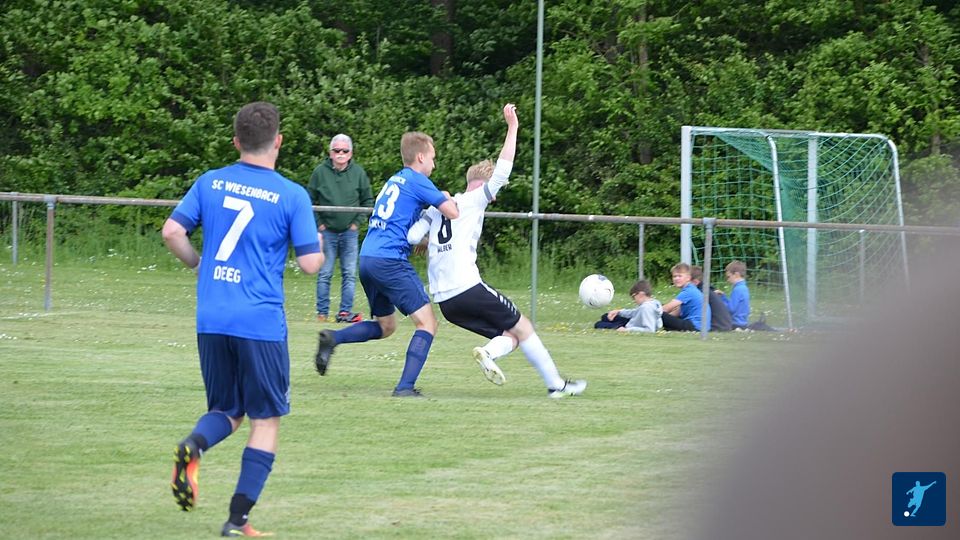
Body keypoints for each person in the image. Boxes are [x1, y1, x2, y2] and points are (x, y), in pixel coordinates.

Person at [161, 102, 324, 537]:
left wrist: (198, 264)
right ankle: (237, 519)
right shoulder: (291, 194)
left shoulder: (210, 181)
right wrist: (320, 244)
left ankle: (194, 445)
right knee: (265, 419)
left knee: (226, 410)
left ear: (236, 142)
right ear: (278, 141)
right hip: (259, 322)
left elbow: (172, 231)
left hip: (212, 317)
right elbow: (310, 264)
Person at [405, 103, 586, 397]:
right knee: (525, 326)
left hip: (446, 303)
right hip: (467, 288)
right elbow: (503, 171)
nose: (494, 197)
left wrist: (428, 229)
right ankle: (556, 386)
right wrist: (512, 127)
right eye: (493, 191)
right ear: (482, 185)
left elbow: (414, 237)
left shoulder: (440, 205)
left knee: (512, 335)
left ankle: (491, 353)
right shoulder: (474, 200)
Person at [313, 130, 459, 397]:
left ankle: (333, 338)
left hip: (368, 258)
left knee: (386, 326)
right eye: (432, 158)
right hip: (390, 260)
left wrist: (422, 240)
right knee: (428, 323)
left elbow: (396, 223)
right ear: (420, 157)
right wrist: (446, 196)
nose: (434, 164)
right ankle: (405, 387)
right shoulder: (417, 179)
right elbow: (452, 212)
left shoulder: (395, 180)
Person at [307, 134, 374, 323]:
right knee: (325, 273)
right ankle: (322, 314)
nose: (340, 154)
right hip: (326, 232)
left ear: (350, 153)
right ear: (330, 153)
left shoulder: (359, 173)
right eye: (337, 150)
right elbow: (309, 200)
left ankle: (345, 313)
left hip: (349, 233)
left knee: (349, 274)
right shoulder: (320, 172)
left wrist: (356, 224)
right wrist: (319, 223)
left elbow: (368, 201)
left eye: (345, 151)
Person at [594, 279, 663, 333]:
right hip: (633, 321)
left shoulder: (646, 308)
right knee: (606, 316)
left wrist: (627, 330)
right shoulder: (652, 303)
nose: (634, 300)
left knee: (599, 324)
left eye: (634, 297)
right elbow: (634, 313)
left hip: (631, 326)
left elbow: (649, 330)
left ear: (641, 294)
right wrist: (619, 312)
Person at [660, 262, 710, 331]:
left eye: (680, 276)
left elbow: (665, 309)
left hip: (695, 326)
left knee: (659, 313)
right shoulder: (691, 289)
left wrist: (650, 309)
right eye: (674, 276)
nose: (676, 278)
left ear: (688, 278)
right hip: (699, 326)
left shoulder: (688, 291)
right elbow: (677, 312)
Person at [690, 265, 733, 332]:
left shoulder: (701, 293)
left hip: (717, 327)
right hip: (725, 326)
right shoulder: (708, 290)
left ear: (695, 282)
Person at [716, 260, 750, 329]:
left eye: (729, 277)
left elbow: (730, 309)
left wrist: (721, 300)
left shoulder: (737, 289)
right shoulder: (744, 287)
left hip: (736, 323)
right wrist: (723, 296)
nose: (728, 280)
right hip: (743, 322)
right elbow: (735, 306)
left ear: (736, 274)